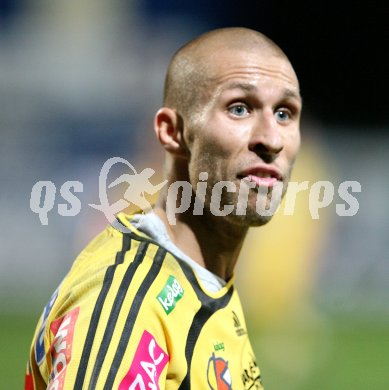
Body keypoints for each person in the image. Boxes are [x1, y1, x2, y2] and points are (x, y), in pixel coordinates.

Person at [25, 27, 302, 389]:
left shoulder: (203, 277)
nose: (271, 138)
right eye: (239, 108)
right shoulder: (130, 305)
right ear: (172, 132)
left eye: (284, 113)